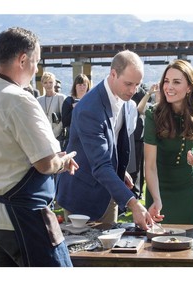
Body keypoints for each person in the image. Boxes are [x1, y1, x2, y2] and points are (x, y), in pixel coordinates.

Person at [0, 27, 79, 267]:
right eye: (36, 62)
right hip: (21, 217)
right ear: (23, 59)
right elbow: (44, 163)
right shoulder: (18, 98)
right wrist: (61, 161)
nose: (36, 69)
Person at [56, 50, 155, 229]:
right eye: (128, 84)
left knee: (111, 252)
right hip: (83, 196)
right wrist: (133, 203)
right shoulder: (90, 109)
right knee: (86, 254)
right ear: (113, 74)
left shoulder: (124, 99)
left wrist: (119, 169)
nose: (133, 91)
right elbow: (100, 165)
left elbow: (111, 143)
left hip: (109, 192)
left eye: (137, 85)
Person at [143, 59, 193, 225]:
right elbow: (150, 165)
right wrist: (156, 199)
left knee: (192, 241)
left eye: (176, 82)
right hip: (158, 188)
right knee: (155, 245)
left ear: (189, 87)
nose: (169, 87)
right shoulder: (152, 115)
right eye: (166, 81)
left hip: (188, 187)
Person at [61, 74, 91, 150]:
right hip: (72, 138)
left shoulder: (91, 101)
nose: (82, 87)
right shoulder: (68, 101)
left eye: (84, 85)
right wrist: (75, 109)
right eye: (79, 85)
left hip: (88, 136)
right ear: (75, 86)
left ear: (88, 86)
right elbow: (65, 122)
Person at [37, 72, 66, 144]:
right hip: (43, 136)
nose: (48, 85)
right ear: (42, 84)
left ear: (54, 83)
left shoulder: (61, 98)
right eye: (45, 82)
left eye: (50, 82)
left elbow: (64, 118)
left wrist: (54, 133)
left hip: (58, 136)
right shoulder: (39, 100)